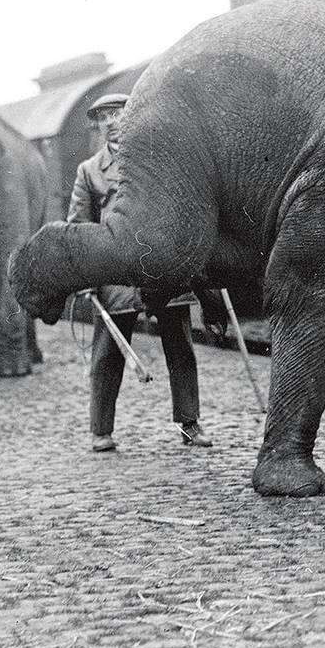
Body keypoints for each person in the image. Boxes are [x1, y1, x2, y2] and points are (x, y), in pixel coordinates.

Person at [69, 93, 215, 452]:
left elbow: (182, 209)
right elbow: (79, 228)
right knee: (107, 354)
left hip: (162, 267)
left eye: (118, 113)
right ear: (98, 125)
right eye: (104, 116)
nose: (112, 121)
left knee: (180, 348)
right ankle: (100, 430)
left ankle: (189, 424)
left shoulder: (157, 159)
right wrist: (87, 279)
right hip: (116, 274)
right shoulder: (89, 171)